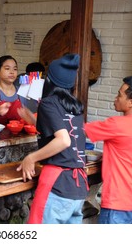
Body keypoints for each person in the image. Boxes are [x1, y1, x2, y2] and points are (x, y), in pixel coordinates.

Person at [17, 53, 88, 224]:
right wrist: (33, 120)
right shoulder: (74, 105)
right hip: (77, 187)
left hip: (57, 183)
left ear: (49, 80)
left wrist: (30, 158)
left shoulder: (48, 102)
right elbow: (64, 129)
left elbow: (64, 140)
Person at [84, 75, 132, 224]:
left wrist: (40, 120)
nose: (115, 98)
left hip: (118, 203)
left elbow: (79, 130)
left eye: (119, 95)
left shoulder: (117, 124)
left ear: (131, 103)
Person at [0, 55, 33, 125]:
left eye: (15, 69)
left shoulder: (20, 91)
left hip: (18, 133)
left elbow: (25, 114)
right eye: (7, 68)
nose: (12, 72)